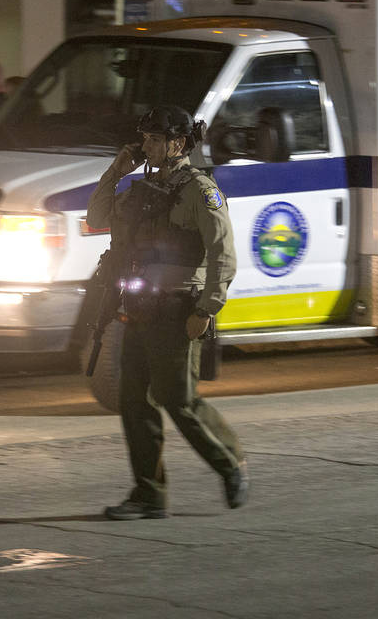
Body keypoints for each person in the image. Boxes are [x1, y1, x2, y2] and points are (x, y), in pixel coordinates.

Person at [86, 105, 249, 520]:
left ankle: (230, 461)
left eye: (154, 139)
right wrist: (116, 171)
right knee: (134, 402)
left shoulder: (198, 190)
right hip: (137, 309)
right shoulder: (141, 190)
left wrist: (207, 308)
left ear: (178, 143)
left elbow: (223, 255)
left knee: (179, 400)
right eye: (144, 139)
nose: (146, 146)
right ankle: (149, 494)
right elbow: (96, 217)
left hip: (178, 311)